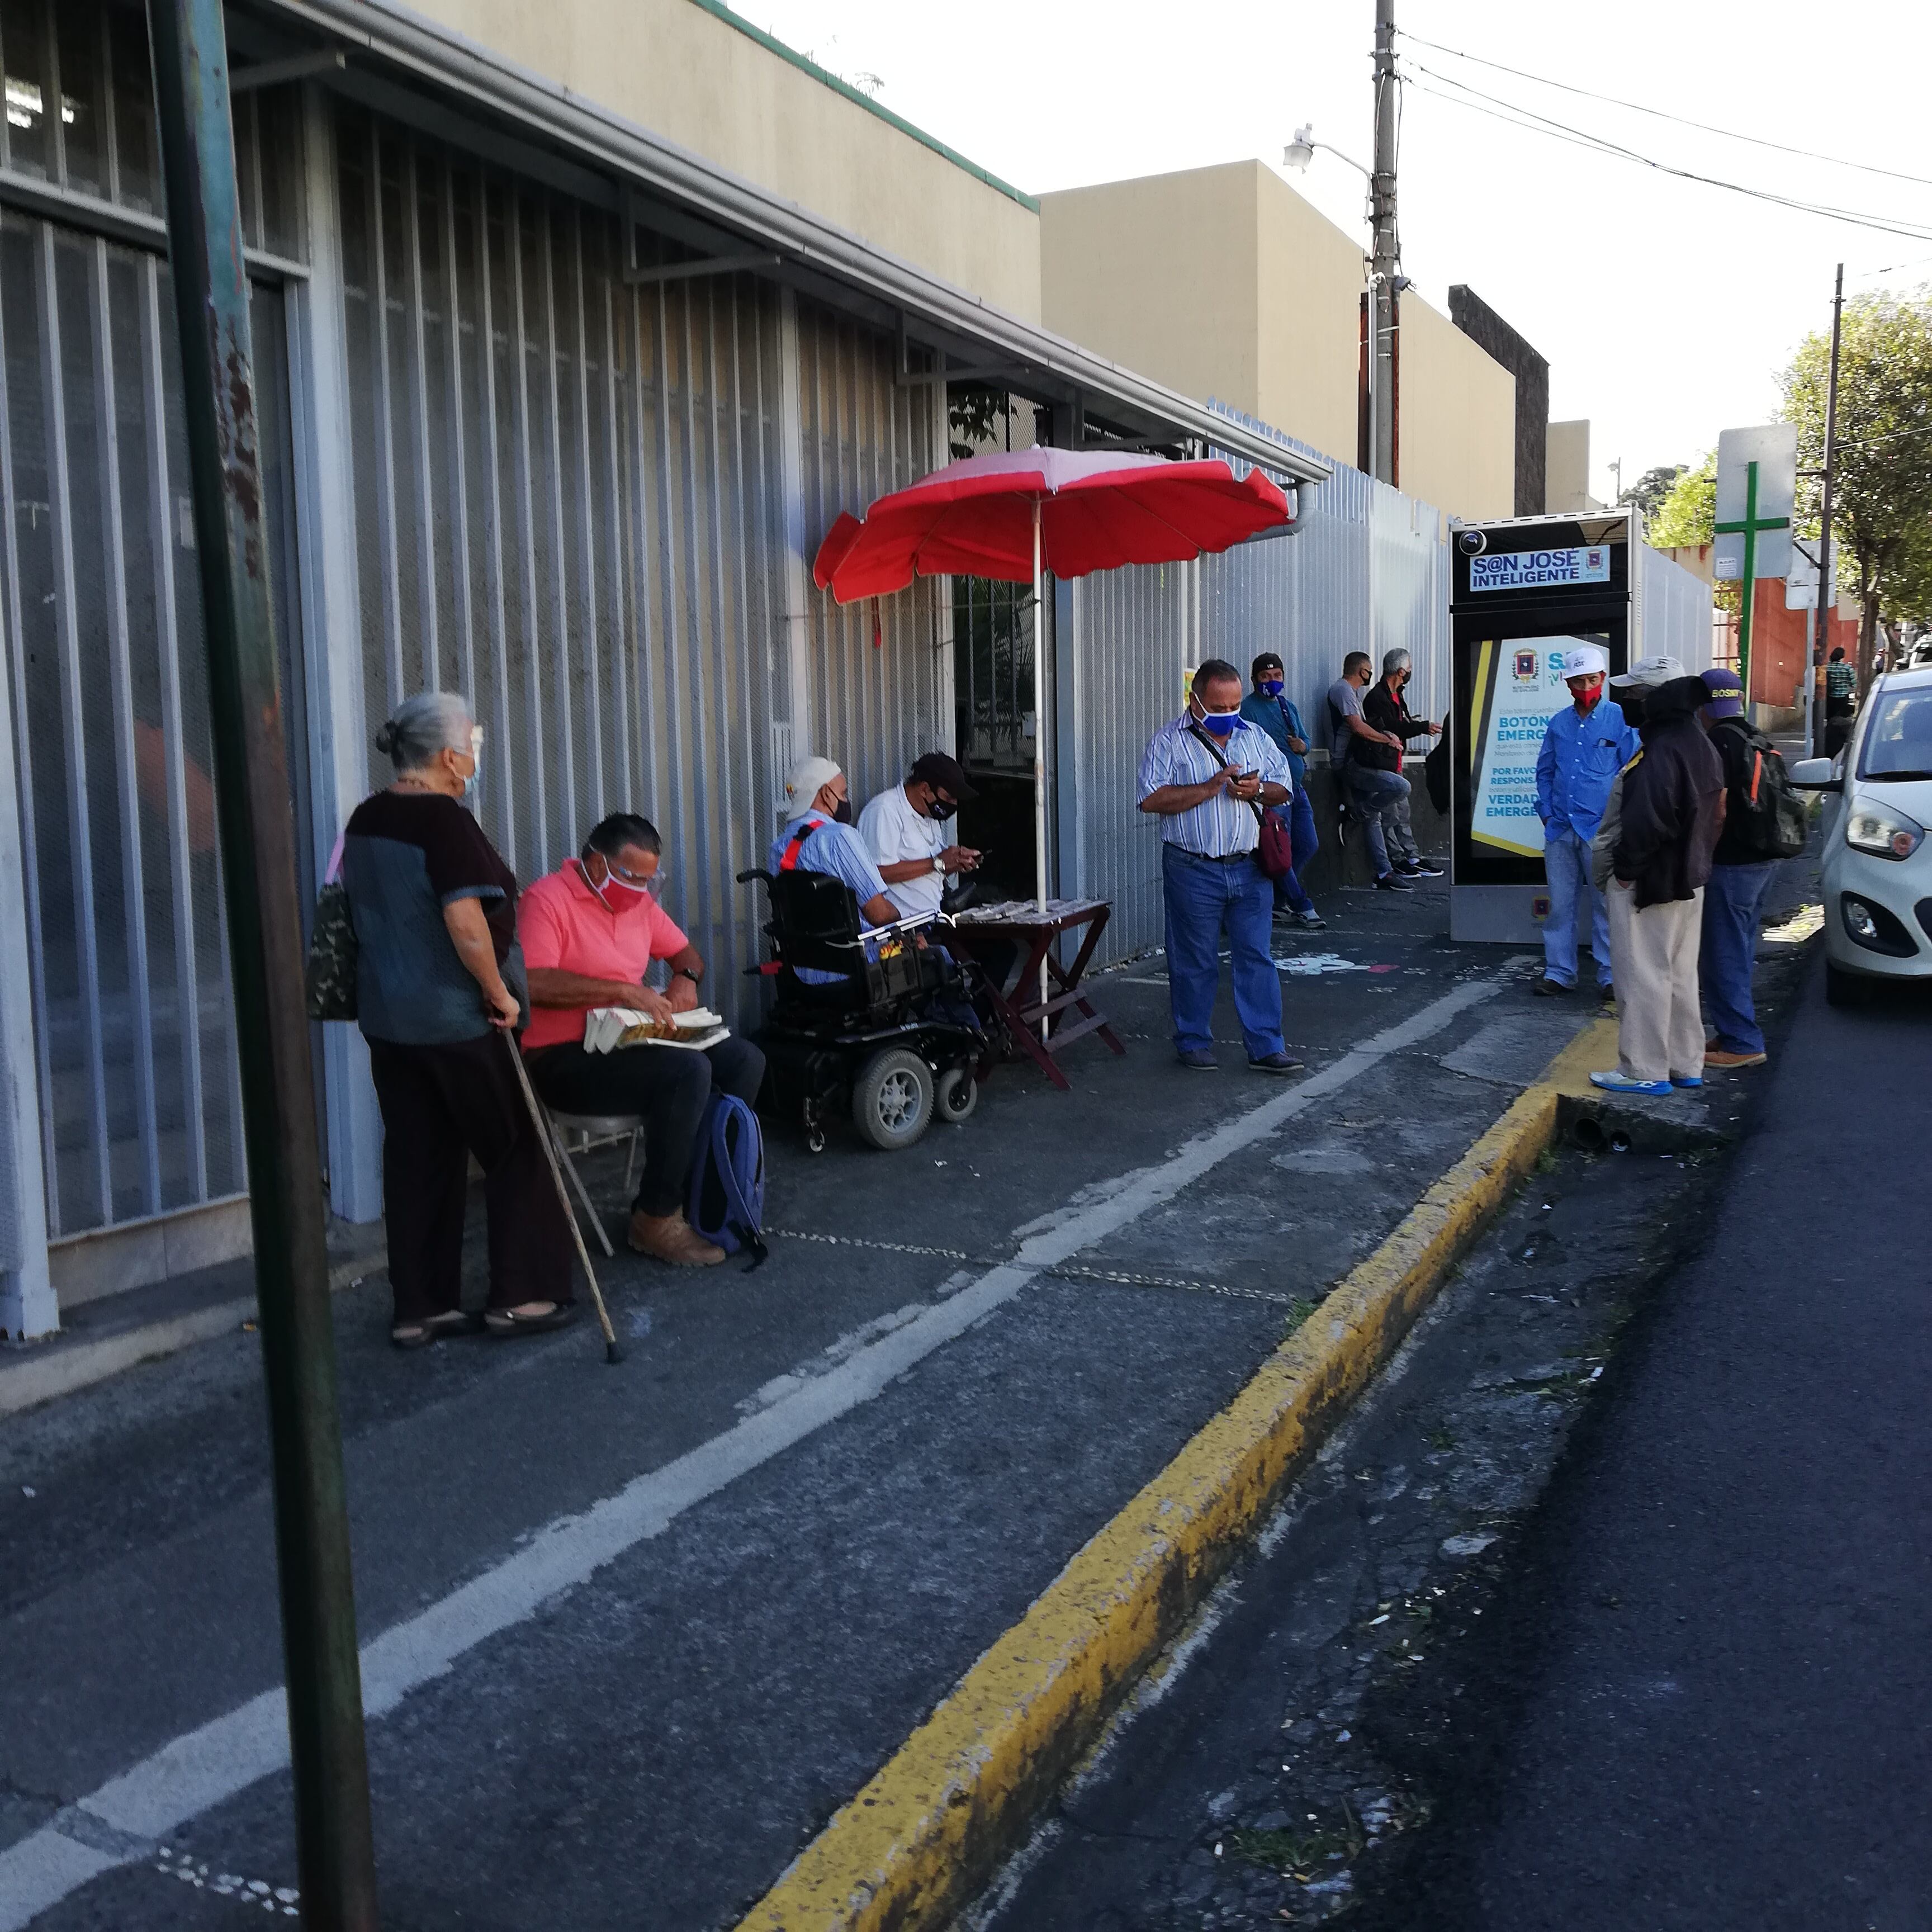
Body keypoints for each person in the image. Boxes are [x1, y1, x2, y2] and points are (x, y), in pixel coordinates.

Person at [341, 692, 574, 1346]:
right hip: (457, 1021)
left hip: (390, 1022)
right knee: (516, 1147)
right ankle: (522, 1297)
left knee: (420, 1156)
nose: (476, 750)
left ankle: (422, 1308)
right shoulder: (444, 821)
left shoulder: (366, 818)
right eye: (471, 739)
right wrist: (500, 993)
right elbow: (465, 923)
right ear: (448, 755)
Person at [519, 813, 768, 1267]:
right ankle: (654, 1218)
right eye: (635, 878)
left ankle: (707, 1196)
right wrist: (620, 989)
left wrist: (686, 979)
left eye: (651, 880)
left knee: (743, 1059)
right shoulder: (546, 900)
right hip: (562, 1057)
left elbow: (684, 953)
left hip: (629, 1040)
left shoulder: (639, 905)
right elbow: (534, 983)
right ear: (597, 866)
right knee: (687, 1072)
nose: (642, 891)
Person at [1138, 660, 1300, 1075]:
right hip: (1192, 869)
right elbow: (1151, 799)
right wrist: (1211, 788)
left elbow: (1285, 788)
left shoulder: (1254, 736)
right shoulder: (1167, 742)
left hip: (1249, 868)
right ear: (1196, 701)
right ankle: (1192, 1040)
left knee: (1256, 958)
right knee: (1194, 959)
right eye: (1218, 706)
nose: (1229, 715)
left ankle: (1267, 1046)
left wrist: (1259, 790)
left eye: (1233, 706)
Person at [1587, 657, 1726, 1098]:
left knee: (1643, 976)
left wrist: (1626, 873)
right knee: (1681, 977)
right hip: (1689, 879)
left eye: (1634, 693)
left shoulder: (1661, 750)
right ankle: (1685, 1064)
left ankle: (1644, 1068)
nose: (1627, 700)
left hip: (1650, 883)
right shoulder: (1698, 743)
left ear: (1654, 697)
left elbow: (1650, 819)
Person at [1532, 643, 1639, 1002]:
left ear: (1603, 679)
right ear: (1568, 684)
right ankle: (1559, 972)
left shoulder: (1620, 719)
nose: (1586, 688)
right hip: (1561, 829)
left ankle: (1610, 975)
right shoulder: (1559, 723)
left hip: (1601, 831)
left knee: (1605, 905)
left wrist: (1622, 822)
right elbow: (1545, 770)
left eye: (1592, 680)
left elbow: (1633, 771)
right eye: (1578, 682)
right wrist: (1547, 813)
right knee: (1560, 905)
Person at [1697, 669, 1778, 1071]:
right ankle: (1733, 1031)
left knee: (1721, 955)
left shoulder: (1715, 743)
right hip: (1762, 861)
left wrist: (1701, 855)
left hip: (1730, 865)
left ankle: (1743, 1042)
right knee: (1740, 949)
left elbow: (1717, 809)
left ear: (1704, 707)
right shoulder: (1754, 735)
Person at [768, 755, 902, 987]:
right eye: (844, 793)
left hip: (802, 974)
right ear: (826, 794)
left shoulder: (779, 849)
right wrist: (905, 928)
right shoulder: (840, 837)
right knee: (943, 959)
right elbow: (879, 915)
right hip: (862, 970)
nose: (846, 800)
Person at [1239, 652, 1324, 929]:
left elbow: (1307, 740)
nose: (1272, 681)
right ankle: (1301, 903)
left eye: (1277, 676)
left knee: (1308, 844)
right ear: (1254, 680)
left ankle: (1278, 899)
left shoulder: (1288, 707)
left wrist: (1304, 747)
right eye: (1265, 677)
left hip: (1296, 788)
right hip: (1271, 793)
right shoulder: (1247, 710)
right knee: (1278, 850)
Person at [1325, 650, 1414, 891]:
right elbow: (1358, 728)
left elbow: (1364, 727)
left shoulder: (1350, 692)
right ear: (1362, 670)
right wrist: (1387, 741)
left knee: (1373, 817)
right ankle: (1353, 815)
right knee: (1401, 786)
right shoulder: (1343, 690)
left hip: (1358, 762)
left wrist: (1386, 734)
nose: (1371, 675)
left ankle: (1384, 872)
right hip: (1348, 764)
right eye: (1370, 670)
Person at [857, 751, 983, 920]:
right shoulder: (884, 810)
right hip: (904, 928)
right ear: (925, 789)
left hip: (936, 918)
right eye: (949, 797)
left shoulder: (930, 815)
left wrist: (955, 862)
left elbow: (929, 869)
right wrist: (937, 863)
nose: (953, 804)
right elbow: (876, 873)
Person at [1359, 648, 1445, 879]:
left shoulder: (1398, 695)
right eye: (1409, 669)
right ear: (1400, 671)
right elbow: (1393, 727)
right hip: (1381, 763)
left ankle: (1412, 856)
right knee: (1389, 815)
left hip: (1395, 761)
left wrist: (1416, 725)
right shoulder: (1377, 698)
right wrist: (1422, 727)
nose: (1410, 673)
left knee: (1403, 812)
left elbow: (1402, 723)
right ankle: (1397, 859)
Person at [1824, 646, 1858, 759]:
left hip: (1830, 697)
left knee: (1830, 719)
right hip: (1843, 697)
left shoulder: (1827, 668)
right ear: (1842, 657)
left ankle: (1828, 737)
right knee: (1841, 720)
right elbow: (1853, 683)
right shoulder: (1847, 668)